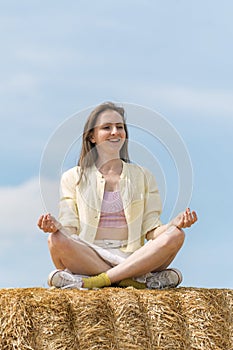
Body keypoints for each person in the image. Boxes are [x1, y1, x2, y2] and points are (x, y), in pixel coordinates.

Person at [38, 102, 198, 290]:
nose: (115, 132)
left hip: (134, 256)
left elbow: (152, 229)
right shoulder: (72, 177)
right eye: (107, 127)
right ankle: (131, 279)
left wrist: (175, 223)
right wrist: (55, 227)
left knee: (176, 236)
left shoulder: (144, 176)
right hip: (91, 255)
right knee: (55, 240)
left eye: (120, 127)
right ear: (92, 136)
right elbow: (70, 229)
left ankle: (99, 280)